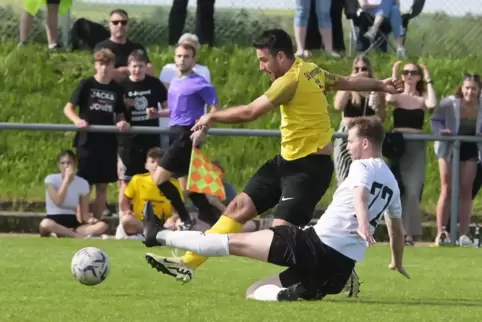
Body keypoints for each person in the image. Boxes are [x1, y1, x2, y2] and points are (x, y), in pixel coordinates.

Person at [140, 29, 404, 287]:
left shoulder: (290, 80)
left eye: (264, 60)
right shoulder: (310, 70)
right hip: (285, 162)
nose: (261, 67)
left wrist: (211, 116)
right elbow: (347, 81)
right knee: (236, 209)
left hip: (309, 171)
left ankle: (335, 268)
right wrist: (380, 84)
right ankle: (186, 264)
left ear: (281, 56)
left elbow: (250, 112)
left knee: (281, 240)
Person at [143, 117, 409, 301]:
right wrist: (396, 262)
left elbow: (360, 193)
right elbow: (396, 231)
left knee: (227, 242)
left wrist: (362, 222)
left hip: (312, 246)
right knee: (255, 291)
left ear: (365, 143)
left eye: (350, 141)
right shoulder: (393, 183)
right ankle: (287, 294)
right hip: (338, 271)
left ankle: (158, 235)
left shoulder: (362, 166)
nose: (348, 147)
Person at [148, 41, 221, 232]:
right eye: (179, 56)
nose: (182, 59)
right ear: (175, 58)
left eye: (186, 56)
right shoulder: (175, 81)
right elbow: (174, 110)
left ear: (193, 60)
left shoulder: (200, 83)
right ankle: (219, 228)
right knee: (190, 190)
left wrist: (202, 129)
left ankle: (185, 218)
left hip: (185, 136)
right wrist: (157, 114)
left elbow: (215, 109)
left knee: (159, 179)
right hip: (175, 133)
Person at [63, 48, 130, 220]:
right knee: (84, 184)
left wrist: (122, 122)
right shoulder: (87, 84)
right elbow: (68, 108)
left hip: (107, 142)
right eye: (101, 64)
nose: (104, 68)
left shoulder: (117, 89)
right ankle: (81, 221)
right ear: (95, 65)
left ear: (113, 66)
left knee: (102, 186)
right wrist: (77, 120)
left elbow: (120, 114)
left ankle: (97, 223)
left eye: (108, 64)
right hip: (87, 141)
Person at [386, 61, 437, 245]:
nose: (409, 75)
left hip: (416, 146)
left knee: (414, 190)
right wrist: (394, 71)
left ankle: (409, 233)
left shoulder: (422, 97)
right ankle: (400, 233)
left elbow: (432, 103)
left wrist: (428, 77)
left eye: (413, 72)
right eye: (406, 72)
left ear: (418, 77)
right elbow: (389, 99)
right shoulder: (398, 96)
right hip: (398, 146)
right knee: (398, 190)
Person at [117, 49, 169, 223]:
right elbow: (115, 114)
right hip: (128, 142)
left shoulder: (155, 84)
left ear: (146, 67)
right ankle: (123, 219)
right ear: (128, 67)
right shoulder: (122, 86)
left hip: (150, 141)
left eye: (140, 66)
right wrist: (123, 112)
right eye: (133, 67)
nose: (137, 70)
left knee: (151, 179)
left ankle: (148, 219)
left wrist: (157, 114)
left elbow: (169, 108)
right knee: (126, 182)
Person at [431, 74, 482, 246]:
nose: (470, 92)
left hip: (470, 148)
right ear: (462, 88)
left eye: (474, 88)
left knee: (466, 190)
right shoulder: (450, 103)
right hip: (449, 147)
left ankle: (463, 234)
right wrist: (442, 131)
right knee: (447, 188)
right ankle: (441, 233)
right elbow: (435, 120)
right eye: (467, 88)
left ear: (479, 90)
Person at [333, 55, 386, 185]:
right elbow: (338, 105)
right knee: (345, 177)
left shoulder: (377, 90)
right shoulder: (347, 87)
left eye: (364, 68)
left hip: (368, 135)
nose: (360, 72)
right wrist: (351, 82)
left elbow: (382, 116)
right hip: (347, 135)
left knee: (367, 178)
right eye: (356, 69)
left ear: (369, 71)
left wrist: (378, 105)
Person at [117, 147, 184, 239]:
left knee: (181, 222)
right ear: (146, 165)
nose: (156, 165)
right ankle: (151, 231)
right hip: (142, 223)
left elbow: (178, 209)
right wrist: (127, 210)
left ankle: (159, 232)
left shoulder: (174, 183)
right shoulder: (137, 180)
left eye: (160, 162)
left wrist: (172, 219)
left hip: (166, 223)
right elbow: (125, 199)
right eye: (152, 162)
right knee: (126, 220)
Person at [159, 33, 212, 148]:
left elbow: (211, 105)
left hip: (191, 127)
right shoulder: (168, 70)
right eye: (180, 54)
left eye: (189, 52)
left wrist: (204, 127)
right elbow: (169, 100)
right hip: (169, 124)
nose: (183, 57)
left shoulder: (201, 73)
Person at [40, 150, 109, 238]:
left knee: (102, 225)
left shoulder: (82, 183)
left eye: (69, 163)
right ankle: (76, 236)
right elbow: (58, 200)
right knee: (45, 224)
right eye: (62, 163)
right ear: (58, 165)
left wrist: (91, 220)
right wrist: (66, 181)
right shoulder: (51, 180)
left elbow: (85, 215)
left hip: (72, 223)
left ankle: (63, 234)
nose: (66, 166)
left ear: (75, 164)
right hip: (53, 221)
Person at [94, 9, 153, 82]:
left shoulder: (137, 47)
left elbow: (149, 70)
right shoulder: (102, 47)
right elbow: (105, 73)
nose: (120, 25)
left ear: (128, 25)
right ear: (109, 25)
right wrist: (137, 71)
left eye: (123, 22)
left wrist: (121, 70)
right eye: (115, 22)